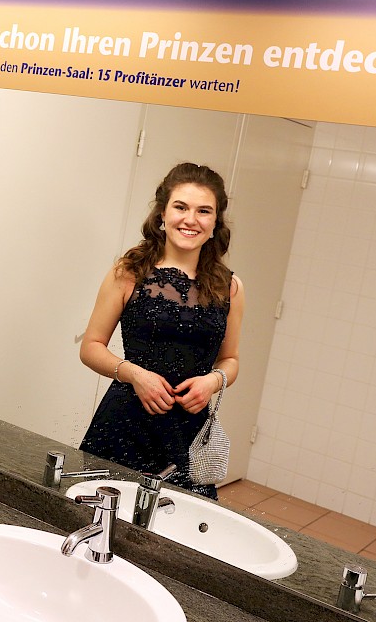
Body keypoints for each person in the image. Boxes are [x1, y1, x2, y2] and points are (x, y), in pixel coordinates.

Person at [78, 162, 244, 500]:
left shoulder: (230, 287)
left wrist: (213, 382)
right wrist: (136, 375)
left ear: (215, 223)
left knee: (180, 525)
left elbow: (231, 360)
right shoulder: (128, 273)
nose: (190, 219)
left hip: (188, 433)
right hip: (124, 425)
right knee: (104, 516)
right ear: (163, 215)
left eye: (203, 211)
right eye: (181, 207)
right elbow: (90, 347)